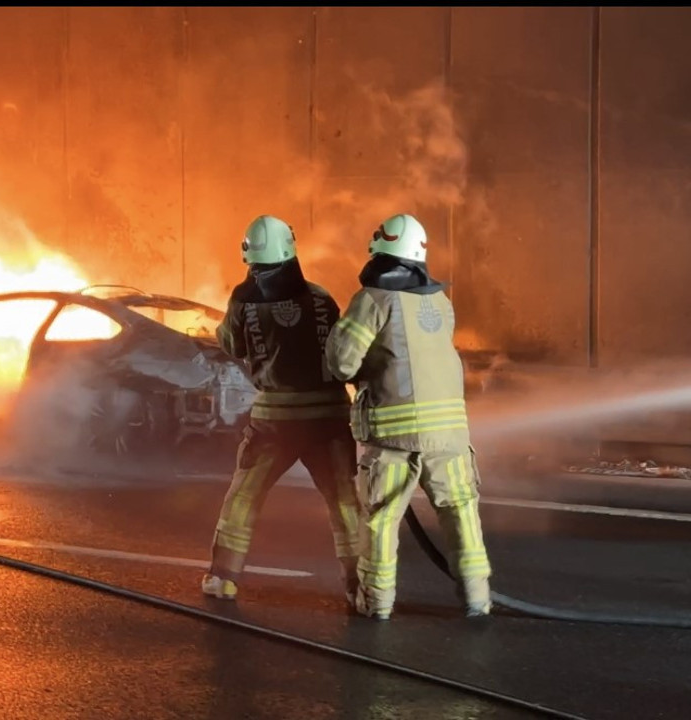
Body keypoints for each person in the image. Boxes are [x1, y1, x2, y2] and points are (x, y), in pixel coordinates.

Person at [324, 212, 492, 620]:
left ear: (378, 252)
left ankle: (376, 603)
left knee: (381, 520)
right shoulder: (440, 301)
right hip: (450, 434)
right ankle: (477, 599)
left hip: (394, 437)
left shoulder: (372, 300)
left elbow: (341, 364)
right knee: (461, 510)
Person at [200, 214, 362, 603]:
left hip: (275, 421)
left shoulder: (244, 299)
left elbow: (231, 344)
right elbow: (342, 352)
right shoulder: (322, 297)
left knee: (244, 497)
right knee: (344, 501)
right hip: (329, 416)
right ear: (290, 249)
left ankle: (223, 578)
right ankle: (360, 585)